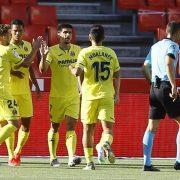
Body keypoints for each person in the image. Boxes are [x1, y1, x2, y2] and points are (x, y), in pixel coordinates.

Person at [69, 24, 121, 170]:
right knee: (108, 130)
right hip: (106, 95)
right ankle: (105, 143)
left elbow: (77, 72)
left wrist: (71, 68)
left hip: (89, 96)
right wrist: (117, 94)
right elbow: (117, 75)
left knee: (87, 129)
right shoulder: (111, 53)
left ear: (90, 37)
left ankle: (89, 162)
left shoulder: (84, 53)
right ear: (104, 37)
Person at [39, 24, 81, 167]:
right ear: (58, 34)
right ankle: (53, 157)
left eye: (70, 32)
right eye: (65, 32)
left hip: (73, 96)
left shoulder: (78, 50)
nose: (68, 35)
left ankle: (71, 158)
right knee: (55, 127)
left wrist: (82, 88)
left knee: (71, 126)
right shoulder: (52, 51)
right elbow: (42, 69)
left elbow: (82, 71)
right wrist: (43, 57)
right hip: (57, 96)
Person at [0, 19, 41, 166]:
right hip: (8, 91)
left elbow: (29, 66)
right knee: (7, 124)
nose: (17, 33)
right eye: (14, 30)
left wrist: (35, 84)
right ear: (10, 32)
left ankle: (18, 151)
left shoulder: (27, 46)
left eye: (19, 30)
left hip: (24, 91)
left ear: (23, 31)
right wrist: (13, 71)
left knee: (25, 125)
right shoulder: (7, 47)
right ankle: (11, 155)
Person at [142, 21, 180, 171]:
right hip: (165, 87)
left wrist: (152, 81)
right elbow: (169, 63)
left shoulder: (155, 46)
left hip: (154, 88)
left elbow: (145, 67)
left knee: (151, 127)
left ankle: (147, 163)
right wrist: (173, 85)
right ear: (177, 32)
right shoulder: (173, 46)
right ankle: (178, 161)